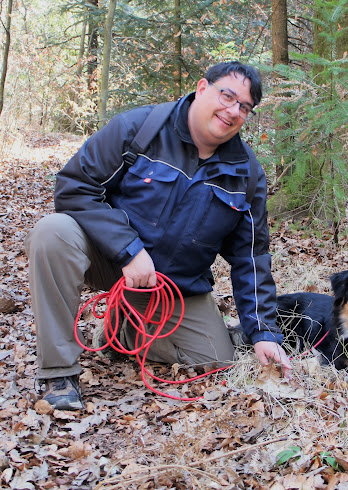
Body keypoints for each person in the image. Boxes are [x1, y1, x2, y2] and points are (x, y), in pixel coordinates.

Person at [25, 61, 292, 411]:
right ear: (202, 88)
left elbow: (251, 257)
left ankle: (123, 329)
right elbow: (75, 187)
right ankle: (59, 372)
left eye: (244, 107)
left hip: (174, 285)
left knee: (218, 358)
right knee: (52, 233)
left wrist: (264, 334)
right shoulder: (140, 128)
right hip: (110, 261)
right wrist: (128, 250)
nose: (232, 111)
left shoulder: (247, 175)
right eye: (227, 96)